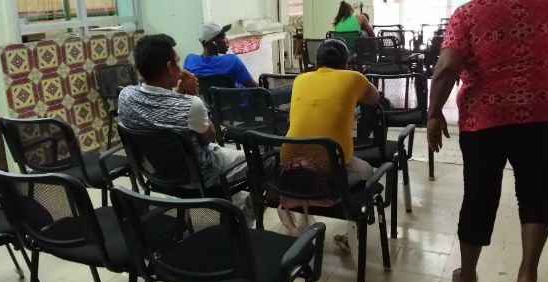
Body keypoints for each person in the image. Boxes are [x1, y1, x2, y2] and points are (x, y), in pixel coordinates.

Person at [427, 0, 548, 282]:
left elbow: (446, 68)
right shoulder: (544, 4)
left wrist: (432, 114)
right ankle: (527, 277)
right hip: (539, 114)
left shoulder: (467, 12)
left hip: (484, 119)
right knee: (537, 193)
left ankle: (466, 278)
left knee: (480, 194)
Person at [118, 34, 252, 218]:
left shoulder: (125, 96)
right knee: (255, 160)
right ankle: (244, 217)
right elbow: (209, 136)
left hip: (156, 170)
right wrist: (193, 95)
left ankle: (234, 198)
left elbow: (160, 112)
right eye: (177, 62)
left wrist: (179, 95)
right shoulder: (191, 105)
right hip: (199, 175)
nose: (180, 67)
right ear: (169, 67)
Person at [285, 38, 380, 251]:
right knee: (367, 169)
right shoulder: (354, 78)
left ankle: (304, 202)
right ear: (346, 64)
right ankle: (350, 237)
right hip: (331, 169)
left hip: (290, 164)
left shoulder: (301, 79)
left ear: (316, 64)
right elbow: (374, 98)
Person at [184, 21, 258, 88]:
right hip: (236, 102)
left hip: (204, 103)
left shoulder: (190, 61)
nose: (227, 40)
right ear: (212, 42)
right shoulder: (232, 61)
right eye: (223, 37)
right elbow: (255, 87)